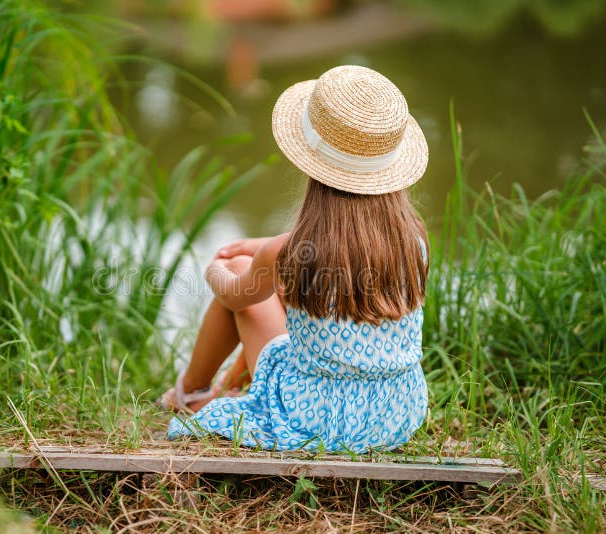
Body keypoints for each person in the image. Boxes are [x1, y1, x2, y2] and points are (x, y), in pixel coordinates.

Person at [159, 65, 430, 453]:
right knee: (289, 294)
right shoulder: (414, 241)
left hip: (315, 417)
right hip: (393, 415)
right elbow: (348, 252)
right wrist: (270, 248)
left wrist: (213, 269)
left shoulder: (290, 253)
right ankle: (220, 387)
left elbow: (235, 297)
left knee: (241, 273)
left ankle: (189, 392)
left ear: (312, 167)